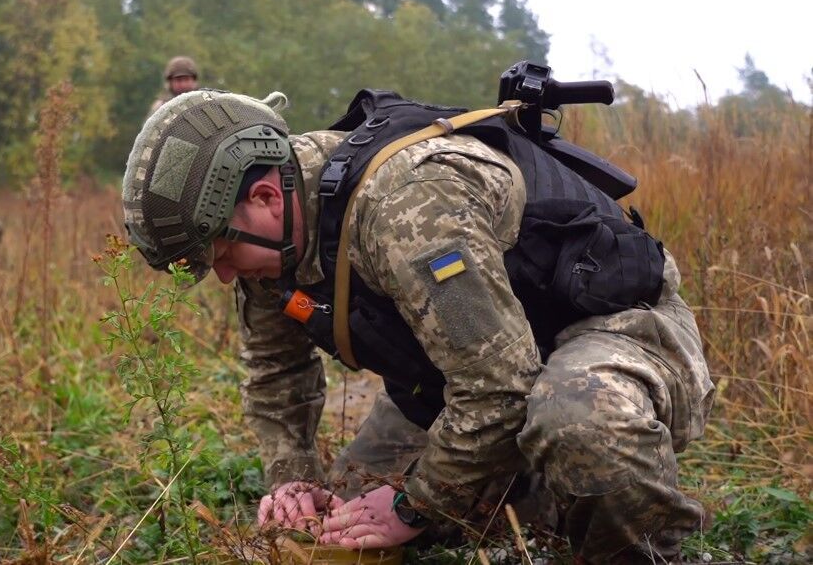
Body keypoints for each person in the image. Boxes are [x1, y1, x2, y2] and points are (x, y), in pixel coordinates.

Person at [121, 89, 714, 563]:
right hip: (468, 376)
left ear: (265, 196)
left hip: (608, 329)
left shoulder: (409, 206)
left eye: (222, 253)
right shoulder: (271, 241)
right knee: (342, 529)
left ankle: (641, 545)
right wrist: (292, 478)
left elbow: (500, 388)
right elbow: (277, 373)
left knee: (579, 420)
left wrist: (415, 503)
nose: (225, 276)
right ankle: (529, 493)